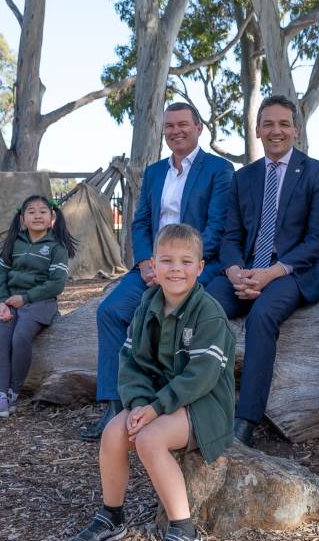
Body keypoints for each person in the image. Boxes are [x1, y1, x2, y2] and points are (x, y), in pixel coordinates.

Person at [71, 224, 235, 541]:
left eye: (185, 261)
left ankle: (186, 536)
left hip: (203, 406)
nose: (176, 268)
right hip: (158, 402)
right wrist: (138, 403)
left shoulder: (208, 311)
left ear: (200, 267)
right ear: (153, 267)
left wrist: (155, 408)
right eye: (167, 261)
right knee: (115, 432)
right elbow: (132, 363)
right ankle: (112, 515)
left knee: (149, 438)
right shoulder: (147, 304)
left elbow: (202, 375)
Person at [80, 103, 234, 440]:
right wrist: (146, 262)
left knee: (178, 318)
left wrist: (180, 266)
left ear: (199, 128)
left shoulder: (219, 170)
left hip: (193, 266)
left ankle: (171, 403)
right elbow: (141, 222)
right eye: (169, 127)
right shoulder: (154, 173)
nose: (176, 131)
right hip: (154, 266)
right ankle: (115, 406)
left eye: (183, 125)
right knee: (110, 311)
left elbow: (216, 227)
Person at [206, 94, 319, 447]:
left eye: (283, 124)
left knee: (261, 316)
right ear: (258, 130)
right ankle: (200, 402)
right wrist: (235, 272)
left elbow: (318, 241)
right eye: (268, 124)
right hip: (245, 269)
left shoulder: (318, 173)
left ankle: (245, 419)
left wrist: (270, 274)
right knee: (205, 307)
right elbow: (231, 235)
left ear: (296, 130)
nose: (275, 130)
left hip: (293, 271)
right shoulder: (243, 177)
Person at [0, 195, 77, 418]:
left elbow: (56, 284)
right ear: (22, 218)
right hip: (11, 302)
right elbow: (1, 275)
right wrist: (1, 302)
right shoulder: (14, 242)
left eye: (43, 211)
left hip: (41, 303)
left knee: (20, 336)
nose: (37, 215)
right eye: (31, 211)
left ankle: (13, 391)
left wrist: (25, 298)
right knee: (2, 338)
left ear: (52, 217)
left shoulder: (56, 247)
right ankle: (1, 396)